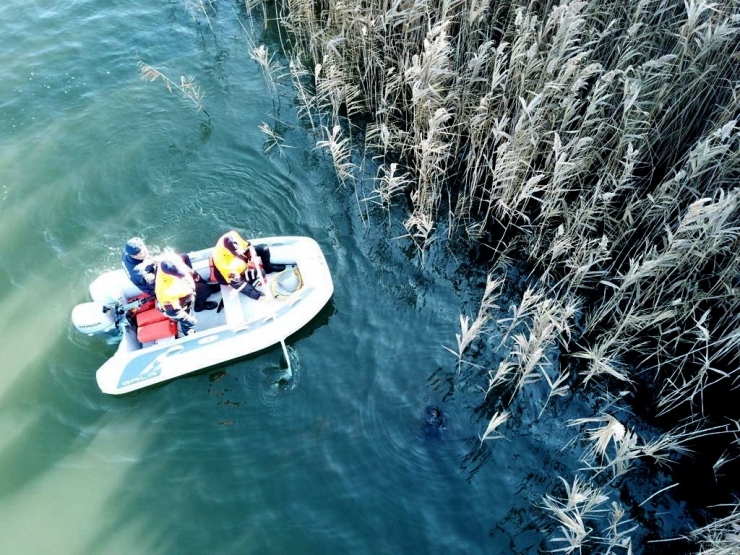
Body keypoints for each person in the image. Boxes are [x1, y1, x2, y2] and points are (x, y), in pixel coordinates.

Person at [208, 230, 285, 300]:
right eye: (236, 253)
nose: (240, 253)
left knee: (264, 249)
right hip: (233, 276)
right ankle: (253, 288)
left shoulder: (232, 235)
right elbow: (238, 284)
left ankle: (268, 268)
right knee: (261, 273)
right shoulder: (225, 265)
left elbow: (247, 245)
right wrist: (258, 297)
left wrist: (251, 253)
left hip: (240, 264)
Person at [154, 253, 217, 336]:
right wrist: (188, 320)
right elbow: (173, 312)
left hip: (189, 291)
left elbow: (182, 265)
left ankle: (199, 305)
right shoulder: (165, 293)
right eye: (179, 275)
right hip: (181, 302)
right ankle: (188, 330)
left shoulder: (170, 258)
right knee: (187, 316)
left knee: (204, 289)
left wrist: (193, 274)